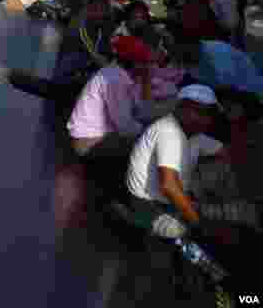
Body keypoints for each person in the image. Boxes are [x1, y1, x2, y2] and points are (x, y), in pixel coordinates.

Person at [124, 85, 256, 240]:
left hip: (171, 195)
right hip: (147, 203)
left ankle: (221, 212)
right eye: (203, 113)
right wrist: (196, 221)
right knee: (179, 232)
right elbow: (169, 186)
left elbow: (226, 154)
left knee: (222, 171)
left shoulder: (194, 135)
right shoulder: (169, 132)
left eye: (209, 114)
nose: (208, 119)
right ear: (185, 109)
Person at [66, 35, 156, 160]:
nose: (149, 67)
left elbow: (143, 112)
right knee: (154, 143)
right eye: (145, 63)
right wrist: (153, 131)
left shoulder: (124, 77)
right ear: (135, 64)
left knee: (153, 131)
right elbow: (126, 127)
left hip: (100, 137)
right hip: (88, 143)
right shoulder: (114, 80)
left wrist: (146, 82)